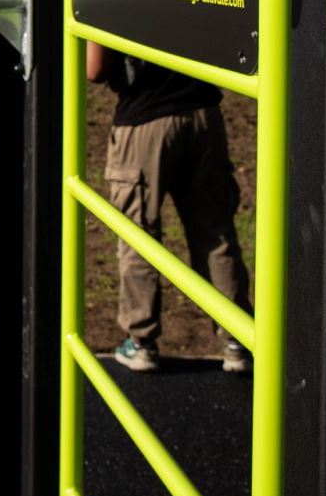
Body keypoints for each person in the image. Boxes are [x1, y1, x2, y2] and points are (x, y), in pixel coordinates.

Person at [86, 42, 253, 374]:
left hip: (144, 119)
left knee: (138, 236)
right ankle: (237, 340)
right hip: (204, 113)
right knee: (215, 233)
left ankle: (142, 341)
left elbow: (96, 70)